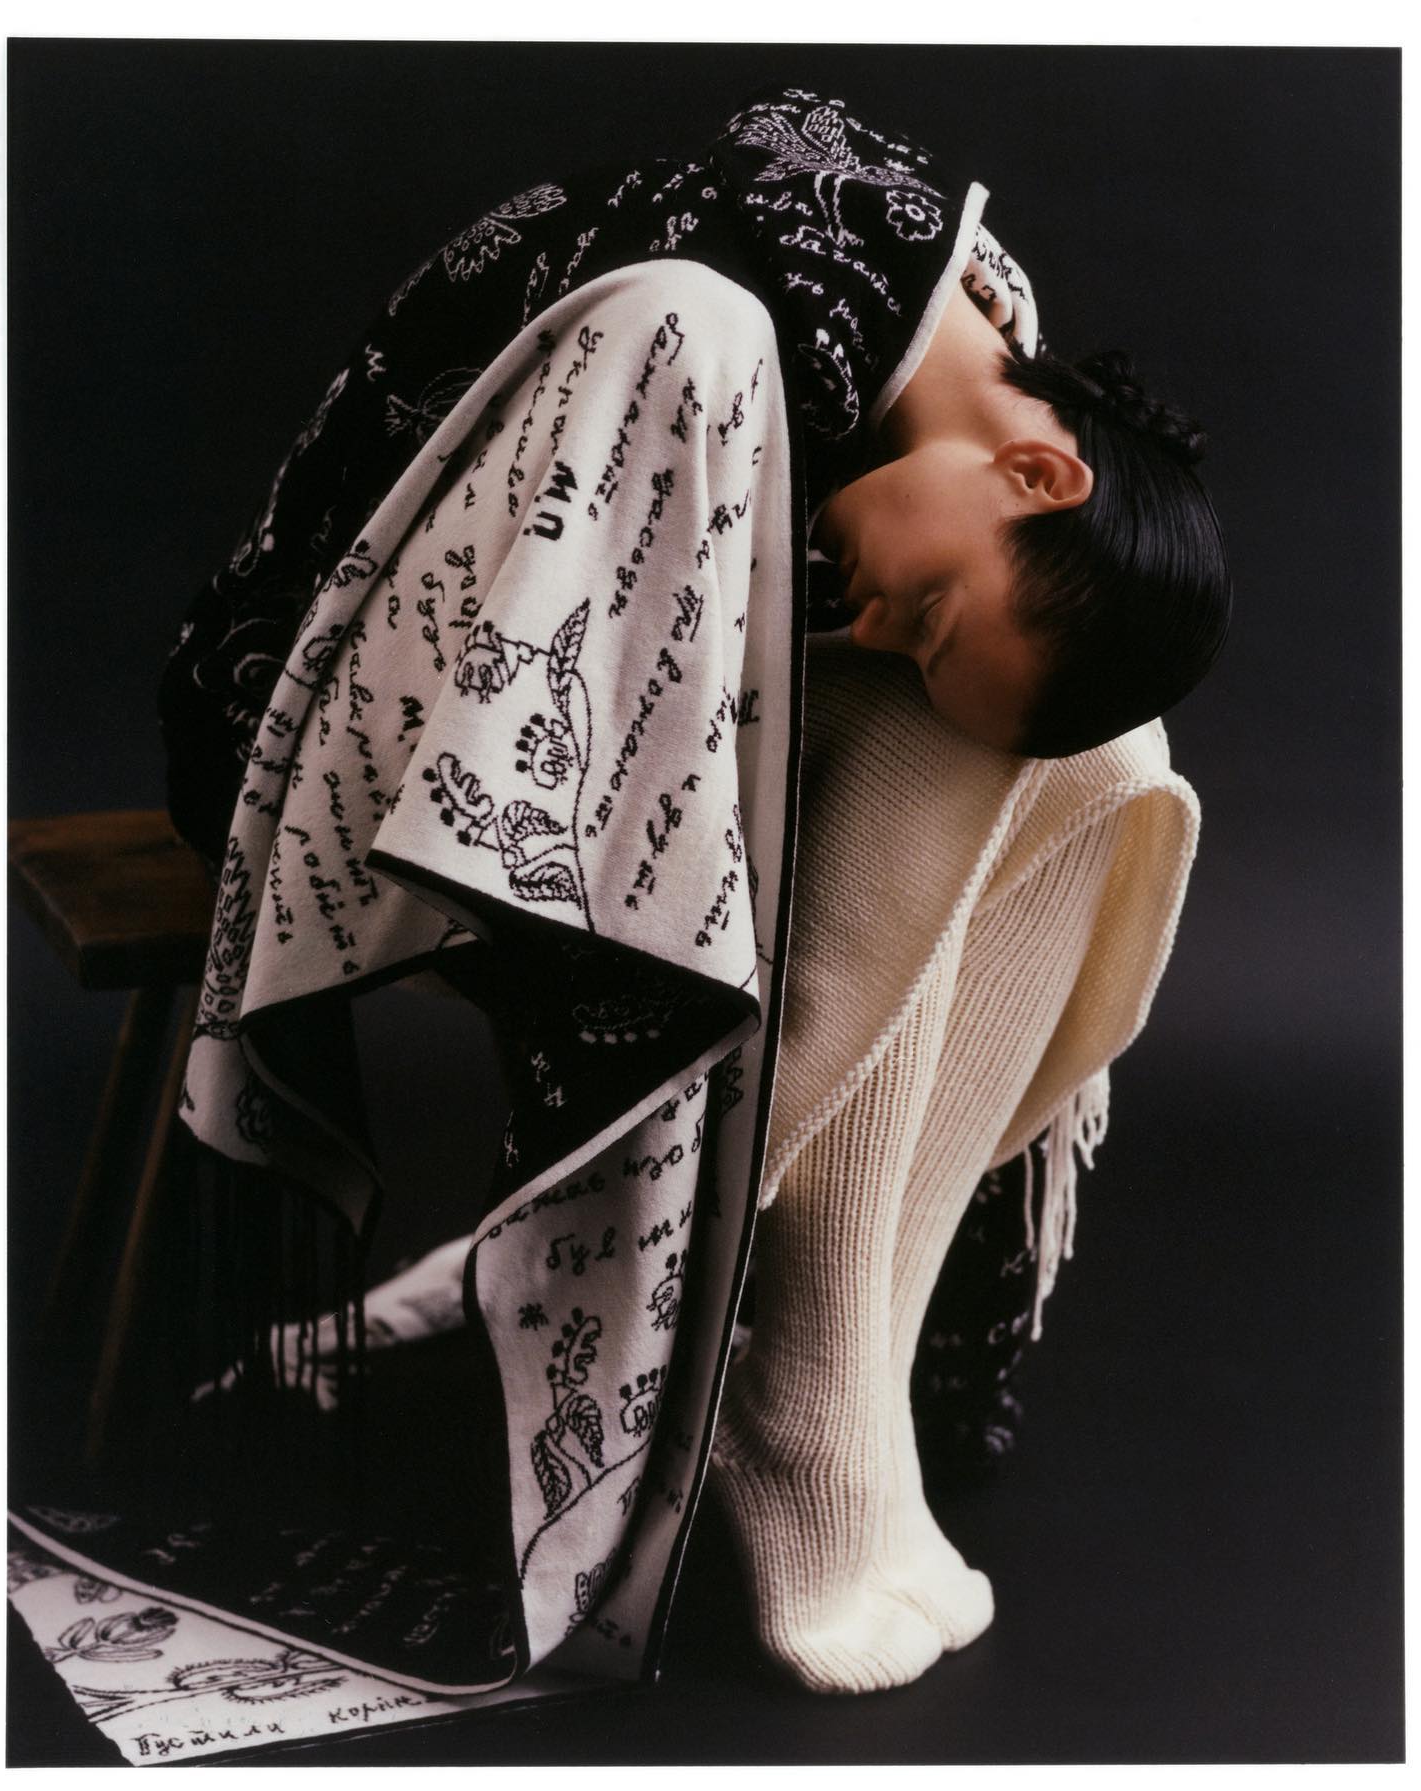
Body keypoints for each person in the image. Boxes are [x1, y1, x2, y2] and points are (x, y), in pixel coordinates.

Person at [128, 81, 1227, 1701]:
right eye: (929, 608)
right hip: (359, 706)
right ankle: (786, 1388)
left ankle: (824, 1365)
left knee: (1104, 759)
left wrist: (892, 652)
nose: (883, 621)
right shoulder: (738, 291)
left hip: (612, 701)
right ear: (1041, 474)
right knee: (927, 722)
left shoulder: (956, 337)